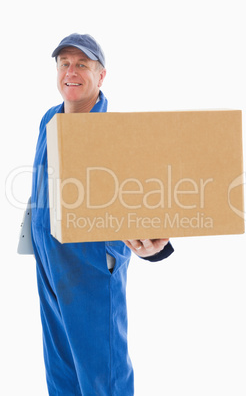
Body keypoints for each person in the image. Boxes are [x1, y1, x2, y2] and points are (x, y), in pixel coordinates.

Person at [31, 33, 174, 396]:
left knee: (102, 373)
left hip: (94, 261)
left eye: (82, 64)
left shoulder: (117, 132)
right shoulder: (49, 119)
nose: (71, 71)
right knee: (61, 368)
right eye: (64, 63)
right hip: (50, 260)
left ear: (101, 75)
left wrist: (156, 247)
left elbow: (154, 195)